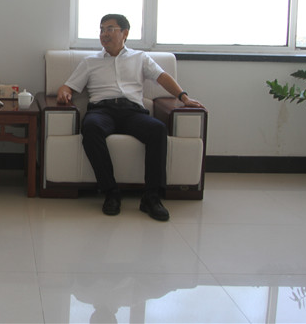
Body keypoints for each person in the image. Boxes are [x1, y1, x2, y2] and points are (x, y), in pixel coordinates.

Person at [57, 14, 204, 221]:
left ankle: (151, 197)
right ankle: (111, 192)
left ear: (125, 33)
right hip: (102, 111)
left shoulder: (140, 58)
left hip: (132, 112)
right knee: (90, 127)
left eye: (109, 29)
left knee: (157, 129)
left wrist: (184, 98)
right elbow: (68, 86)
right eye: (101, 29)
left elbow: (162, 77)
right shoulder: (90, 62)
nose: (104, 34)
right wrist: (64, 93)